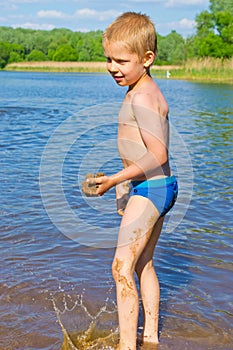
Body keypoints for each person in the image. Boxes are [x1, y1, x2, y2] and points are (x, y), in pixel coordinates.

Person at [87, 12, 178, 350]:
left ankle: (127, 346)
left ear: (147, 59)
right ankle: (150, 337)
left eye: (122, 60)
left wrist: (114, 180)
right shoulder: (141, 89)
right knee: (143, 264)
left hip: (152, 186)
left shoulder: (142, 97)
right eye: (108, 58)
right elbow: (139, 150)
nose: (112, 66)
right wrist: (127, 188)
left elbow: (158, 155)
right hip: (154, 187)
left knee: (120, 266)